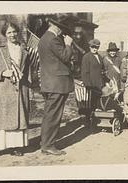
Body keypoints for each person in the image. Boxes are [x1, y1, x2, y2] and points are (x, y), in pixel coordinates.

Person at [0, 21, 31, 160]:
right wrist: (3, 73)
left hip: (19, 89)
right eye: (9, 32)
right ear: (5, 34)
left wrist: (28, 85)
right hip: (2, 90)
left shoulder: (24, 49)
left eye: (14, 31)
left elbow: (27, 70)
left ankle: (15, 146)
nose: (12, 35)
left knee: (17, 118)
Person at [38, 17, 75, 155]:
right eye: (61, 29)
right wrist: (68, 44)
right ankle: (48, 145)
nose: (62, 32)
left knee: (49, 114)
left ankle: (45, 142)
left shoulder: (44, 38)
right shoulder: (52, 39)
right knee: (54, 115)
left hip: (51, 83)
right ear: (55, 27)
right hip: (56, 84)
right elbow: (65, 56)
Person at [81, 38, 108, 126]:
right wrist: (87, 84)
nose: (95, 49)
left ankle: (97, 119)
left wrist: (105, 79)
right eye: (93, 47)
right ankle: (88, 120)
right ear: (89, 47)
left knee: (97, 102)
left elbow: (102, 70)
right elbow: (84, 72)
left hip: (99, 83)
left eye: (96, 47)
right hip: (91, 84)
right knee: (90, 102)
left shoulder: (100, 57)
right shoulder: (86, 57)